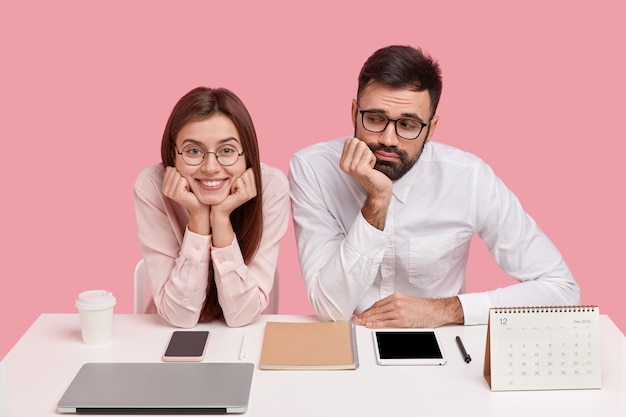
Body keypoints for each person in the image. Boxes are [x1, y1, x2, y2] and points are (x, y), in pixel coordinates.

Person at [288, 45, 580, 328]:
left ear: (432, 128)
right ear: (354, 112)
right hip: (346, 340)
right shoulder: (313, 169)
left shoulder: (469, 177)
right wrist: (377, 201)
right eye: (375, 119)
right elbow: (331, 309)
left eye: (408, 125)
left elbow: (561, 290)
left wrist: (446, 310)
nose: (389, 139)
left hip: (442, 343)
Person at [134, 86, 289, 328]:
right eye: (193, 151)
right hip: (167, 338)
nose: (210, 167)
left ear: (246, 154)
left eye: (226, 150)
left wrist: (221, 218)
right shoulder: (152, 186)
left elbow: (242, 316)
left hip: (244, 340)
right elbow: (179, 317)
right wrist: (198, 219)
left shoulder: (271, 187)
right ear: (173, 153)